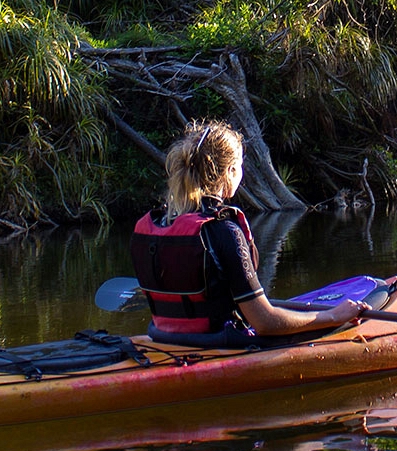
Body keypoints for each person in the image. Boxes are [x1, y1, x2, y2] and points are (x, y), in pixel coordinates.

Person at [131, 120, 368, 346]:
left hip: (164, 339)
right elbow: (265, 322)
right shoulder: (223, 231)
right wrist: (335, 316)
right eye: (241, 166)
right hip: (220, 343)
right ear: (231, 171)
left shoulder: (151, 225)